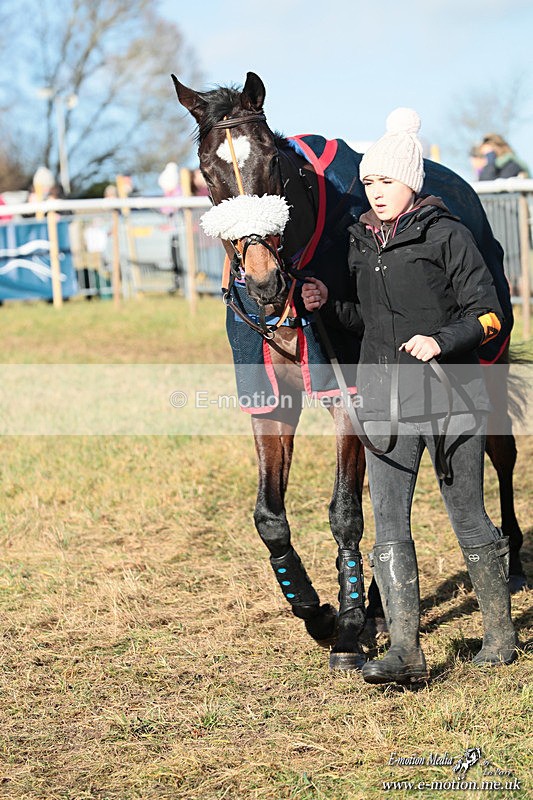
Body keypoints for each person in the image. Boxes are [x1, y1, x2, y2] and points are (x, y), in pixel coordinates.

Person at [302, 108, 517, 685]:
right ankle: (405, 651)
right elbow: (365, 322)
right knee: (389, 526)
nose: (375, 193)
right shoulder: (358, 244)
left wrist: (442, 341)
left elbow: (492, 316)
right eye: (369, 183)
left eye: (386, 182)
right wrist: (329, 301)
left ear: (412, 183)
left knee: (468, 518)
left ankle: (500, 637)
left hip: (453, 396)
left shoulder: (450, 236)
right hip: (385, 402)